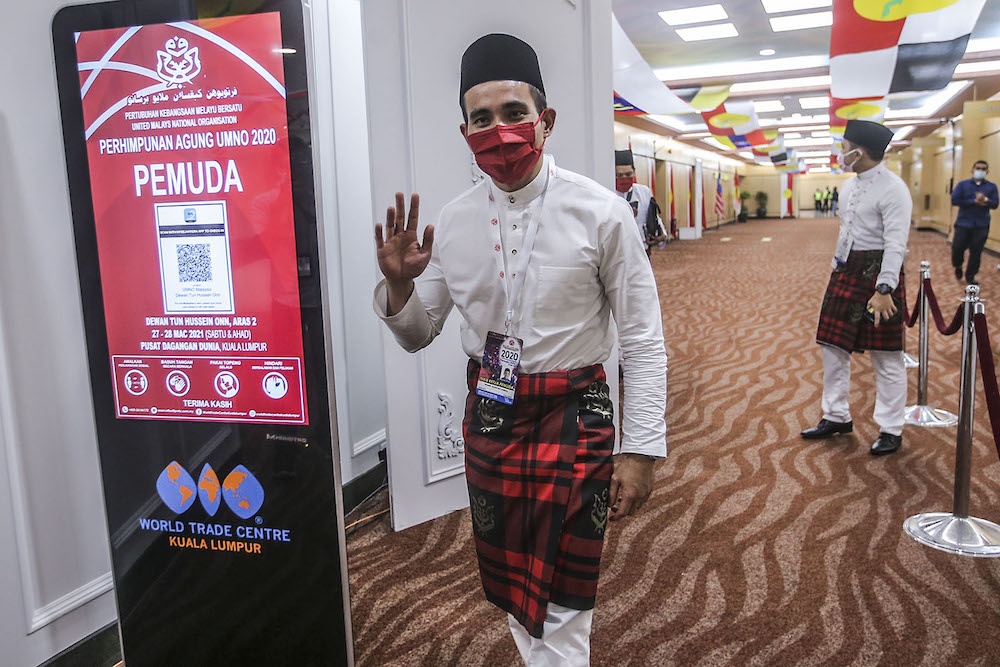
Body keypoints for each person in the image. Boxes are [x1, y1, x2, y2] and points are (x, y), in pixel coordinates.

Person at [371, 33, 667, 665]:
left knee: (563, 600)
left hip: (575, 413)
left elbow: (643, 339)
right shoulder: (450, 223)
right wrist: (399, 285)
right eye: (482, 119)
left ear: (545, 120)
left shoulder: (602, 215)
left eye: (513, 114)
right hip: (492, 417)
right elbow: (421, 333)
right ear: (465, 129)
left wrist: (640, 450)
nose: (498, 131)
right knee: (511, 588)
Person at [802, 119, 911, 456]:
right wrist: (837, 262)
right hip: (848, 269)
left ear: (859, 152)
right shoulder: (849, 186)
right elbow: (846, 230)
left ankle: (891, 428)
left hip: (880, 275)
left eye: (844, 146)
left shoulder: (894, 190)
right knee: (832, 346)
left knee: (886, 355)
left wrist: (884, 288)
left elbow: (896, 244)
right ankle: (836, 416)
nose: (840, 151)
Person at [951, 160, 998, 285]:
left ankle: (970, 276)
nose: (980, 171)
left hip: (981, 225)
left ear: (987, 172)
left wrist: (986, 200)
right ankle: (958, 266)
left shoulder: (991, 187)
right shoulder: (963, 185)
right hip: (963, 223)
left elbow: (995, 204)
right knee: (957, 248)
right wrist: (973, 201)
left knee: (976, 252)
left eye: (983, 169)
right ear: (972, 170)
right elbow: (954, 200)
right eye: (978, 168)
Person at [614, 149, 666, 257]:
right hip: (617, 254)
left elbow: (654, 217)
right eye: (619, 175)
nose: (624, 179)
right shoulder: (608, 193)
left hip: (642, 251)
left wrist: (662, 235)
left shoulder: (644, 192)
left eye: (628, 174)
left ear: (634, 172)